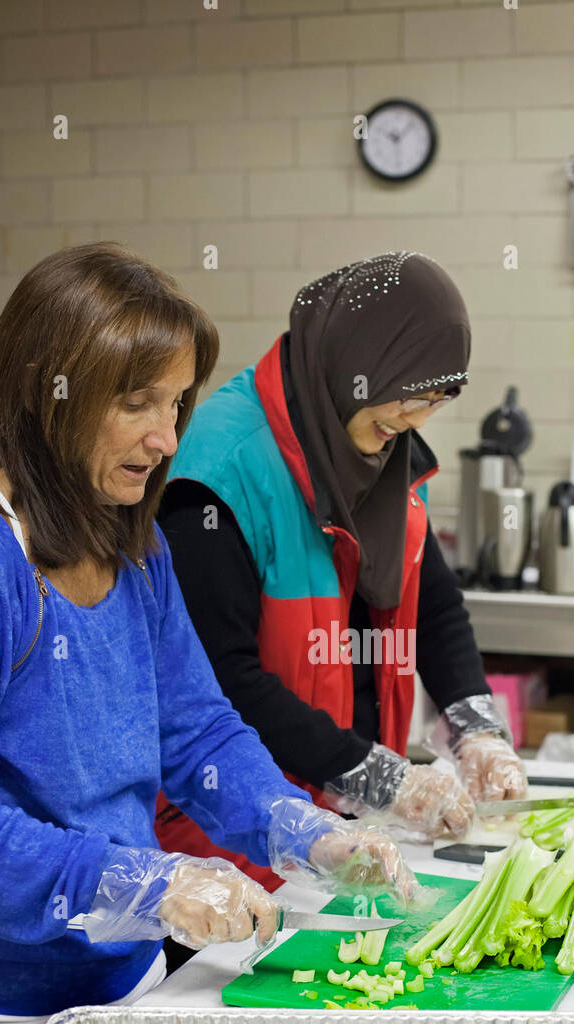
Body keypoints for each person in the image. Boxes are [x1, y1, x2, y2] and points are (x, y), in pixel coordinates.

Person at [0, 243, 422, 1024]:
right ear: (50, 395)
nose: (167, 437)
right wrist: (149, 882)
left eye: (177, 404)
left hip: (130, 993)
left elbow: (197, 731)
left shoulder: (138, 550)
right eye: (137, 403)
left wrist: (304, 829)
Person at [156, 251, 527, 884]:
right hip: (237, 836)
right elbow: (218, 679)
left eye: (434, 402)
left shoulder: (380, 449)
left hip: (343, 823)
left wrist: (474, 728)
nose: (413, 421)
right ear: (361, 363)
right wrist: (378, 776)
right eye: (407, 397)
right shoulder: (222, 468)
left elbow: (432, 601)